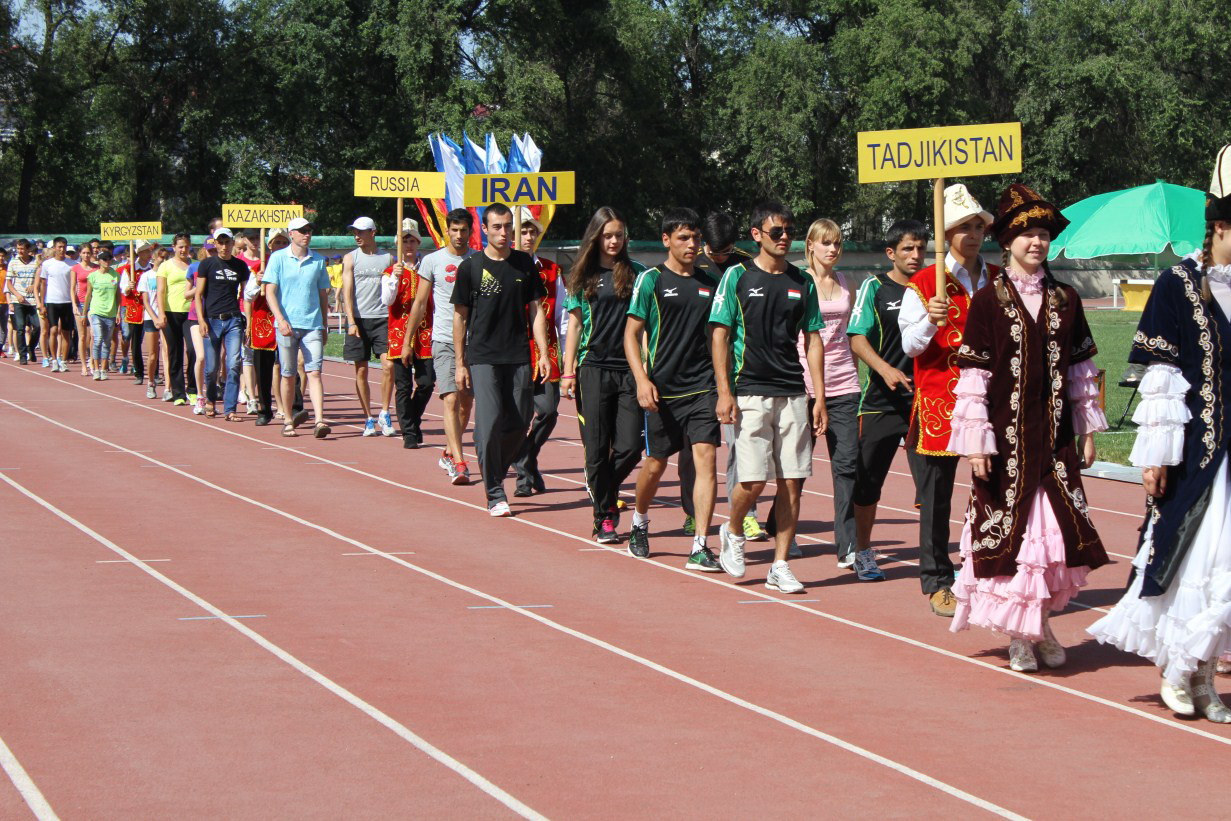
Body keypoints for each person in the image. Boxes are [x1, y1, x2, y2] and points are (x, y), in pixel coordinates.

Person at [1088, 148, 1231, 721]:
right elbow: (1163, 377)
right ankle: (1177, 668)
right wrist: (1156, 456)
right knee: (1192, 558)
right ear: (1221, 227)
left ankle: (1205, 674)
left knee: (1226, 571)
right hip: (1198, 451)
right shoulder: (1179, 283)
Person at [946, 183, 1109, 672]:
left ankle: (1041, 625)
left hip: (1055, 442)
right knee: (1013, 540)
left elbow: (1081, 372)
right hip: (1006, 444)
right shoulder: (988, 301)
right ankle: (1020, 637)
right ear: (1008, 241)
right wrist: (977, 442)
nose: (1037, 242)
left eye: (1043, 235)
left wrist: (1087, 430)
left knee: (1053, 540)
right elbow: (974, 378)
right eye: (1027, 234)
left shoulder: (1066, 299)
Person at [710, 202, 827, 594]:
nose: (785, 237)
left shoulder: (802, 281)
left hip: (792, 392)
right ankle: (732, 531)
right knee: (753, 480)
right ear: (757, 234)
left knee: (793, 482)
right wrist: (724, 392)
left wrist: (818, 396)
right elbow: (720, 334)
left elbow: (813, 339)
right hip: (749, 393)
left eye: (789, 230)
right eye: (776, 231)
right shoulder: (737, 276)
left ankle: (780, 564)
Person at [898, 184, 999, 617]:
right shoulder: (924, 283)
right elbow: (910, 345)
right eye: (963, 227)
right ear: (946, 234)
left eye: (978, 227)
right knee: (936, 498)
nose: (973, 235)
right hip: (940, 401)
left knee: (995, 489)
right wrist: (929, 319)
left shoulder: (999, 278)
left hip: (992, 401)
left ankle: (989, 570)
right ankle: (937, 580)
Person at [764, 219, 871, 575]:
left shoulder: (847, 282)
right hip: (804, 386)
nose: (832, 249)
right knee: (795, 467)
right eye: (825, 242)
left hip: (844, 385)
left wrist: (856, 376)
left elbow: (850, 335)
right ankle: (781, 527)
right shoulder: (798, 281)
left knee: (847, 467)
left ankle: (848, 545)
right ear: (810, 244)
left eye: (837, 243)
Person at [624, 208, 722, 571]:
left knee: (706, 460)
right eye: (683, 237)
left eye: (696, 237)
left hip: (703, 387)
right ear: (666, 240)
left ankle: (700, 544)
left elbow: (719, 336)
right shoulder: (651, 280)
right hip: (662, 391)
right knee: (655, 464)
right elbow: (631, 335)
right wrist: (641, 379)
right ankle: (639, 521)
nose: (691, 244)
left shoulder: (710, 283)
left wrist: (724, 386)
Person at [450, 203, 551, 516]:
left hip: (518, 354)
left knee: (520, 422)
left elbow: (536, 310)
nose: (504, 232)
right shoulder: (471, 267)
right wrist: (460, 363)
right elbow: (460, 317)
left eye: (508, 226)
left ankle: (492, 464)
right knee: (491, 421)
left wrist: (543, 352)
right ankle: (494, 491)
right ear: (484, 229)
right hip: (483, 357)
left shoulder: (524, 264)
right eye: (497, 227)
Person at [561, 207, 646, 542]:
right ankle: (604, 517)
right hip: (593, 368)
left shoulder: (638, 273)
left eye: (619, 235)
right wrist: (568, 372)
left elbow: (647, 324)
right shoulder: (583, 275)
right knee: (596, 448)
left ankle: (604, 491)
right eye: (607, 235)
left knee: (631, 446)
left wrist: (647, 368)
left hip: (629, 370)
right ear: (596, 237)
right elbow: (574, 326)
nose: (613, 241)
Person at [848, 220, 927, 575]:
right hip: (881, 402)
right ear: (891, 253)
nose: (915, 255)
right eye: (908, 248)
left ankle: (934, 559)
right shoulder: (875, 288)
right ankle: (863, 550)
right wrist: (885, 369)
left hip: (924, 403)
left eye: (921, 248)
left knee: (932, 486)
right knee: (868, 482)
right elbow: (857, 338)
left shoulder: (934, 287)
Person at [690, 210, 769, 542]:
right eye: (715, 251)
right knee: (696, 446)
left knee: (742, 445)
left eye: (726, 251)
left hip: (735, 366)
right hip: (695, 366)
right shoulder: (693, 263)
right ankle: (691, 509)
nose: (721, 257)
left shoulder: (744, 266)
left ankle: (746, 514)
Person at [408, 208, 475, 484]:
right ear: (446, 230)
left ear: (471, 231)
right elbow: (420, 303)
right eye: (454, 230)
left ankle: (449, 450)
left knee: (466, 402)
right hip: (444, 339)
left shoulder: (478, 260)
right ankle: (460, 463)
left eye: (464, 230)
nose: (459, 235)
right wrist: (407, 341)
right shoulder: (432, 261)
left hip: (474, 342)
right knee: (450, 398)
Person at [512, 208, 566, 496]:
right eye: (522, 231)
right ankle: (523, 477)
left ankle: (528, 458)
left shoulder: (551, 270)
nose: (528, 236)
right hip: (514, 352)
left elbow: (562, 316)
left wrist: (567, 357)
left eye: (532, 231)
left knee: (548, 411)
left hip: (546, 352)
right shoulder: (504, 267)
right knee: (519, 417)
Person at [264, 217, 332, 438]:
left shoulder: (318, 260)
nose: (307, 234)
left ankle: (319, 420)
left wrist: (324, 324)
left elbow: (323, 294)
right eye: (302, 231)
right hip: (287, 326)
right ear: (291, 233)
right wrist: (280, 320)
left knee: (315, 372)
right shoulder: (278, 258)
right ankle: (287, 419)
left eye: (309, 230)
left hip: (312, 325)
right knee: (288, 374)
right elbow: (269, 292)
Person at [341, 216, 396, 437]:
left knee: (388, 366)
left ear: (372, 232)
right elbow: (347, 292)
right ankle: (368, 418)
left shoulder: (388, 258)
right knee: (361, 370)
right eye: (354, 232)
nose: (357, 236)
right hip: (359, 319)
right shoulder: (350, 258)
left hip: (383, 318)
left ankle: (385, 412)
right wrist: (351, 321)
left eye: (361, 232)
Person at [386, 218, 434, 448]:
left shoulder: (428, 269)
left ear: (418, 243)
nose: (408, 245)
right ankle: (409, 432)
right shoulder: (390, 272)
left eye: (412, 240)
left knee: (427, 382)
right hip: (399, 333)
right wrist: (393, 280)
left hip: (425, 333)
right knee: (403, 386)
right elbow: (386, 300)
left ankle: (412, 419)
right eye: (404, 240)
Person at [195, 227, 250, 421]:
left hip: (233, 319)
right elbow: (198, 294)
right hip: (212, 320)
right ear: (215, 244)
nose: (224, 246)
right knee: (212, 368)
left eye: (227, 242)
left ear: (233, 243)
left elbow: (246, 295)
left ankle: (230, 409)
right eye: (221, 242)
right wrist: (201, 320)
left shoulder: (240, 266)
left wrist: (248, 322)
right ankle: (210, 400)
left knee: (234, 364)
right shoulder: (207, 264)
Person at [154, 233, 195, 405]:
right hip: (171, 313)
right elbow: (160, 291)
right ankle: (178, 393)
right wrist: (161, 313)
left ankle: (193, 389)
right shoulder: (165, 266)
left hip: (191, 313)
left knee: (193, 350)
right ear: (174, 247)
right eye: (180, 247)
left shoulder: (194, 265)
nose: (183, 250)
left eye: (186, 246)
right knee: (175, 352)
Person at [118, 240, 154, 384]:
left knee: (154, 342)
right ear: (140, 253)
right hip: (136, 308)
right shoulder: (129, 269)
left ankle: (154, 372)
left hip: (151, 308)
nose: (149, 254)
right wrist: (129, 287)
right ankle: (139, 372)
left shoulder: (153, 269)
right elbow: (124, 290)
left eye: (149, 251)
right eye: (146, 251)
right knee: (136, 341)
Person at [36, 237, 74, 372]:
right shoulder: (47, 264)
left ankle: (63, 360)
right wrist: (42, 303)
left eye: (64, 247)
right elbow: (43, 284)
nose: (62, 249)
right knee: (53, 330)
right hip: (52, 301)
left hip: (67, 301)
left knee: (66, 332)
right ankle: (53, 360)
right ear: (54, 248)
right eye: (59, 247)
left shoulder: (72, 264)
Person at [82, 250, 120, 380]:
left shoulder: (115, 276)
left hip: (110, 312)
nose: (107, 261)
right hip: (96, 311)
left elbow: (118, 295)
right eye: (104, 259)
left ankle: (104, 369)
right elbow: (88, 295)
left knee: (107, 342)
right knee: (97, 339)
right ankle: (96, 368)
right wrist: (84, 314)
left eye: (109, 259)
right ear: (99, 261)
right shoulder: (93, 276)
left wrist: (118, 312)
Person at [6, 239, 41, 365]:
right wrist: (17, 295)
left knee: (37, 326)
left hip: (32, 301)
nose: (20, 251)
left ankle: (31, 347)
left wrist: (34, 285)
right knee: (20, 328)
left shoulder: (35, 263)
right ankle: (22, 355)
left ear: (28, 249)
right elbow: (9, 283)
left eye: (22, 249)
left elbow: (40, 279)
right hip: (18, 300)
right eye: (18, 249)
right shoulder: (13, 262)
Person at [71, 243, 99, 376]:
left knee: (93, 335)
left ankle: (92, 361)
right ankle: (83, 365)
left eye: (88, 253)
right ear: (80, 254)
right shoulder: (75, 268)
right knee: (82, 336)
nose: (86, 255)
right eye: (84, 253)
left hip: (94, 304)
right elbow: (72, 288)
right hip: (81, 304)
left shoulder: (97, 268)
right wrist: (74, 305)